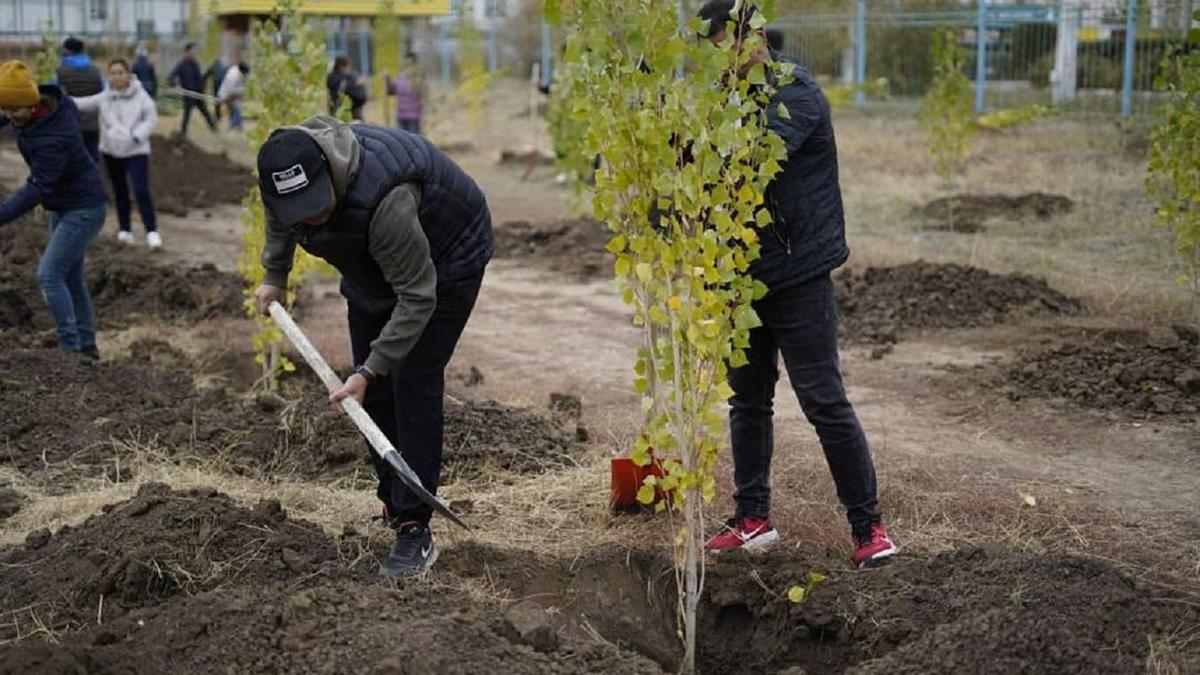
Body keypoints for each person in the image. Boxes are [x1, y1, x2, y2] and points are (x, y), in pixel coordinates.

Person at [695, 1, 896, 569]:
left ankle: (869, 527)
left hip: (799, 271)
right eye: (710, 46)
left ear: (751, 37)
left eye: (722, 42)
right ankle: (753, 519)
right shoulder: (724, 97)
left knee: (823, 401)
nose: (718, 55)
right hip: (741, 277)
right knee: (749, 401)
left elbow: (752, 162)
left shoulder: (795, 92)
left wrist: (698, 138)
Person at [252, 115, 493, 577]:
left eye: (317, 204)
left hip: (446, 263)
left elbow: (418, 295)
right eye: (299, 209)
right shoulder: (283, 181)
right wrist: (275, 275)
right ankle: (394, 503)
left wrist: (370, 368)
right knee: (371, 392)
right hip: (374, 269)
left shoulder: (386, 201)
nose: (311, 216)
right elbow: (278, 215)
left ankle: (415, 529)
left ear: (330, 173)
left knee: (410, 379)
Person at [0, 61, 108, 359]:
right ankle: (87, 348)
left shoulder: (55, 137)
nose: (9, 117)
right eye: (5, 110)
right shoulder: (39, 109)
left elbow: (37, 189)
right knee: (70, 278)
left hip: (84, 208)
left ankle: (70, 352)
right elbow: (10, 111)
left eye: (13, 111)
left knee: (49, 275)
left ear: (31, 103)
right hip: (64, 205)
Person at [73, 58, 161, 249]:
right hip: (111, 150)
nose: (117, 77)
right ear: (108, 76)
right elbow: (83, 104)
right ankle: (125, 230)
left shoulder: (141, 96)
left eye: (121, 73)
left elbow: (151, 117)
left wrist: (137, 136)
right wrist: (59, 99)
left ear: (128, 74)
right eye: (113, 73)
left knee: (141, 190)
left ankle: (152, 231)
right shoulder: (105, 97)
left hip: (136, 149)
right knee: (119, 190)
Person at [55, 36, 104, 162]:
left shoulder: (60, 72)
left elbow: (52, 94)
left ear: (66, 51)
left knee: (73, 159)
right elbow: (105, 93)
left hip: (70, 123)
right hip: (93, 123)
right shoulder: (95, 71)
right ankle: (94, 180)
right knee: (93, 156)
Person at [168, 43, 217, 136]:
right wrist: (175, 86)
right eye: (192, 52)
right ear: (186, 52)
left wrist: (208, 74)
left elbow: (200, 79)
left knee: (205, 112)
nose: (194, 54)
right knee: (187, 115)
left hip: (198, 93)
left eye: (195, 52)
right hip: (188, 95)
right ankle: (183, 133)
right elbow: (171, 76)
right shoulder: (181, 65)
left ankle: (214, 128)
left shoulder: (195, 64)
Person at [385, 54, 425, 134]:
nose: (407, 66)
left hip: (413, 117)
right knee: (402, 141)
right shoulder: (401, 77)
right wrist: (388, 80)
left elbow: (423, 95)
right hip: (401, 116)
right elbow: (391, 91)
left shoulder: (418, 78)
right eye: (405, 64)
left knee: (414, 141)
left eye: (409, 63)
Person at [326, 57, 367, 121]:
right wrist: (355, 83)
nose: (348, 69)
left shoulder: (345, 77)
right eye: (347, 66)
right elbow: (342, 89)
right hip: (345, 112)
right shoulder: (337, 78)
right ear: (341, 67)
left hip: (349, 111)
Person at [218, 62, 248, 131]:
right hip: (227, 96)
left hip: (230, 95)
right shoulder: (233, 75)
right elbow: (231, 89)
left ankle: (238, 128)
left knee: (235, 112)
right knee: (237, 113)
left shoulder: (235, 71)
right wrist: (241, 90)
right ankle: (231, 127)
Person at [204, 57, 229, 121]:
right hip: (224, 86)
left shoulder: (213, 67)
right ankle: (222, 115)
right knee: (223, 101)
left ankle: (218, 116)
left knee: (217, 102)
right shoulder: (224, 67)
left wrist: (203, 85)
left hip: (217, 85)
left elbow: (206, 76)